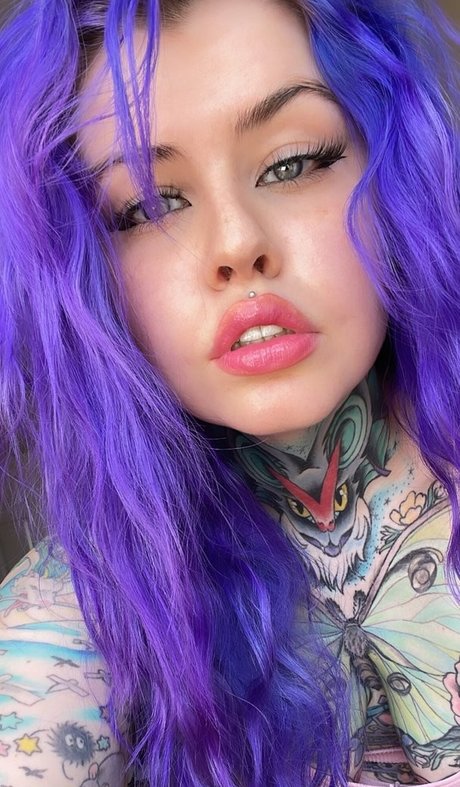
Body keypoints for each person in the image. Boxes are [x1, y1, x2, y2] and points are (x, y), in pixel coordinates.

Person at [0, 0, 458, 784]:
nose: (238, 243)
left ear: (396, 169)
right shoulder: (75, 618)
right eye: (148, 206)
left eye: (293, 162)